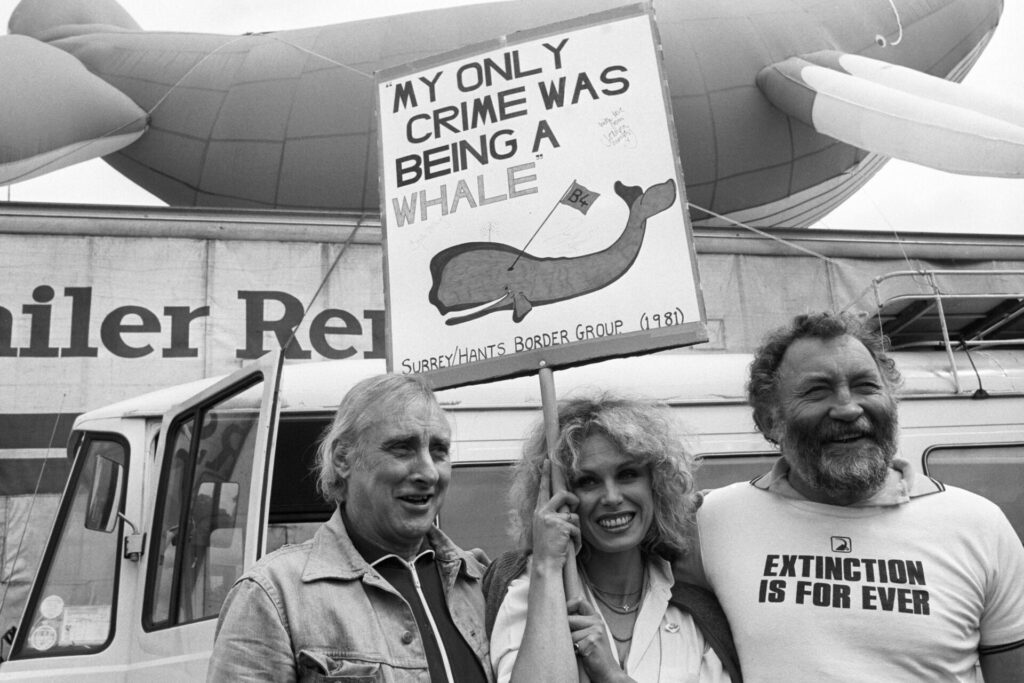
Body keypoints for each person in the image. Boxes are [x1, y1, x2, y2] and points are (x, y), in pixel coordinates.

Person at [688, 311, 1024, 681]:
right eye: (817, 390)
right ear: (770, 421)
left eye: (866, 385)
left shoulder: (980, 526)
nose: (848, 408)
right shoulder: (712, 521)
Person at [208, 373, 492, 682]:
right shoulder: (272, 594)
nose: (428, 472)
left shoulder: (478, 581)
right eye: (402, 448)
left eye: (439, 451)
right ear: (343, 459)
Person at [485, 394, 740, 683]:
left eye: (627, 474)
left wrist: (610, 675)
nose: (612, 497)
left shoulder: (693, 606)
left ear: (656, 484)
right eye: (588, 481)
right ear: (560, 499)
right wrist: (547, 566)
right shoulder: (530, 590)